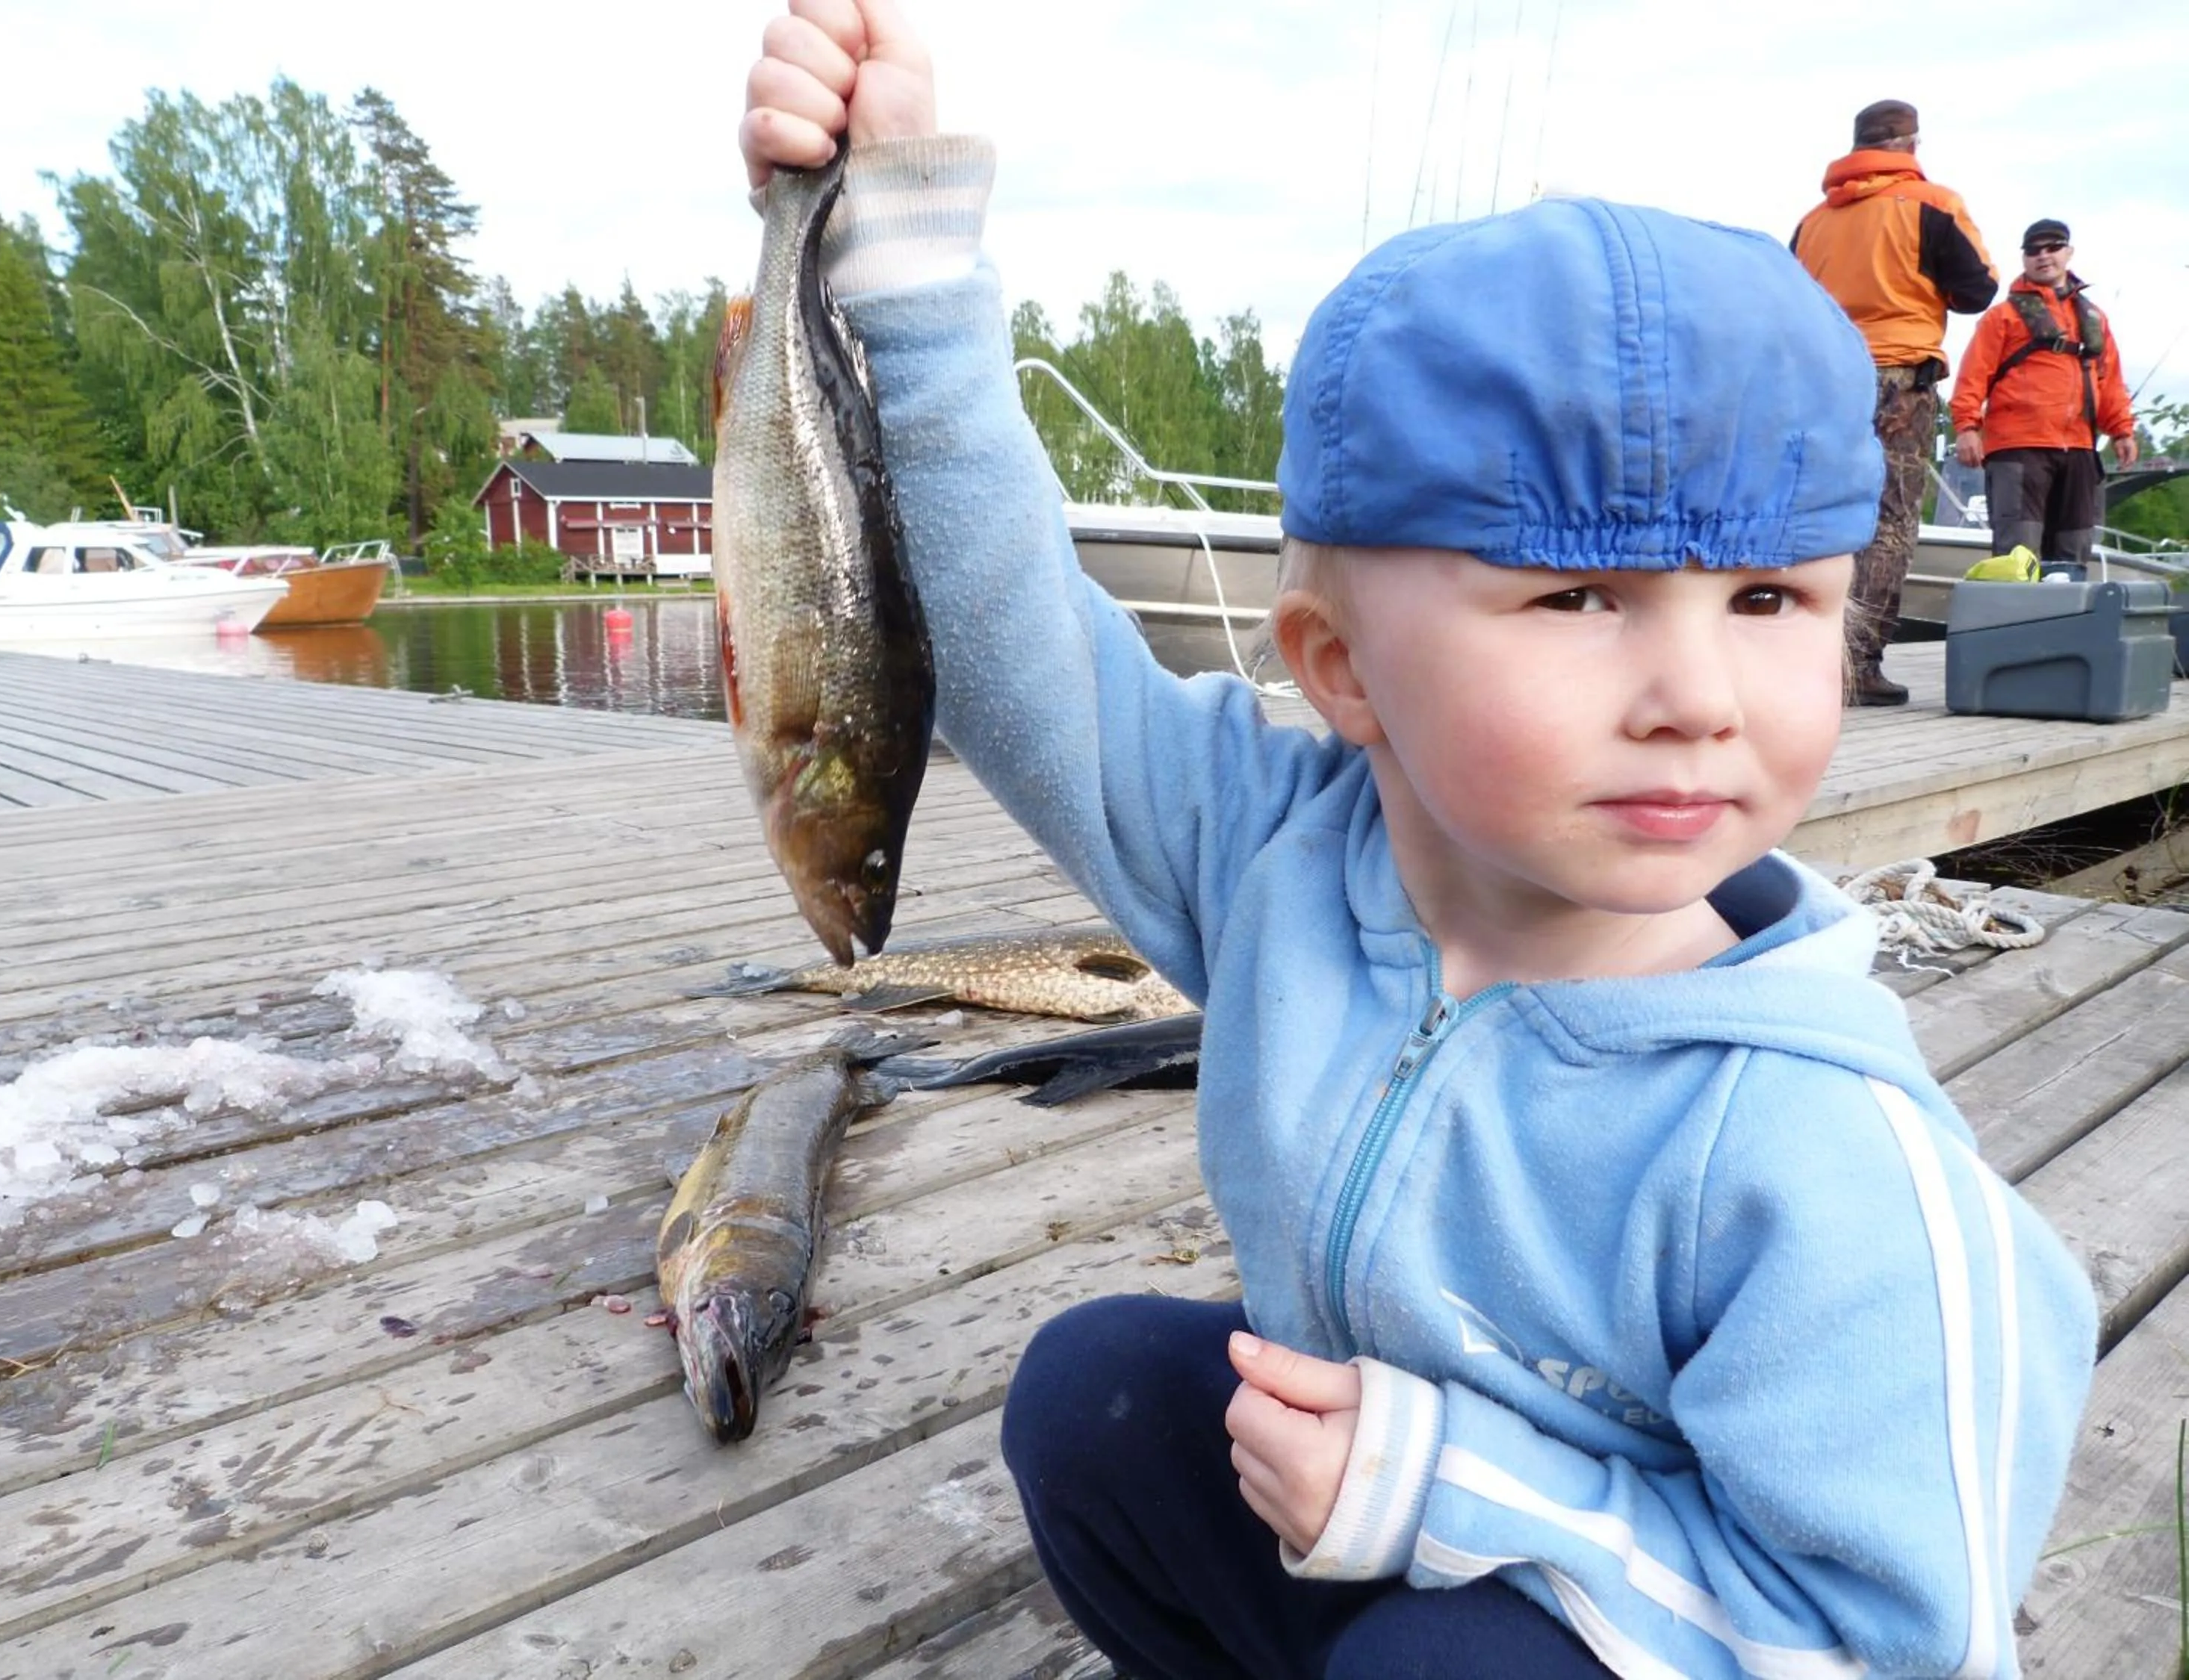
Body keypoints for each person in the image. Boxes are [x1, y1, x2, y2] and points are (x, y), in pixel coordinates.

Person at [739, 7, 2098, 1676]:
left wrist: (1445, 1492)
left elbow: (1888, 1643)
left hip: (1669, 1628)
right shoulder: (1281, 861)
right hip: (1389, 1517)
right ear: (1342, 671)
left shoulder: (1824, 1162)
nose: (1697, 698)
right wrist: (895, 246)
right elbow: (1022, 654)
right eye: (1578, 597)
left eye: (1768, 600)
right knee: (1099, 1401)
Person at [1792, 98, 1997, 707]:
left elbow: (1790, 298)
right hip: (1900, 381)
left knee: (1821, 515)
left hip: (1826, 379)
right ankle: (1858, 665)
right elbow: (1978, 289)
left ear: (1857, 146)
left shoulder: (1813, 223)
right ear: (1912, 144)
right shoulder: (1933, 204)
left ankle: (1802, 657)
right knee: (1889, 523)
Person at [1951, 219, 2140, 573]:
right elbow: (1972, 376)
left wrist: (2122, 430)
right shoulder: (2001, 318)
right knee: (2017, 555)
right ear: (2024, 258)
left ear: (2069, 253)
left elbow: (2110, 380)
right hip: (2018, 449)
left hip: (2079, 450)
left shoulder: (2094, 318)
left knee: (2074, 552)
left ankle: (2065, 607)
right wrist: (1967, 427)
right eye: (2033, 250)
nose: (2043, 256)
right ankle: (2014, 610)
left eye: (2053, 248)